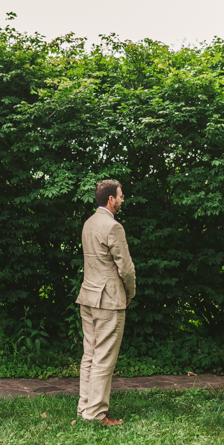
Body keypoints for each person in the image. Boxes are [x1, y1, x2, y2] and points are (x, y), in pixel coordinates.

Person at [75, 180, 136, 426]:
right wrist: (130, 292)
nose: (123, 200)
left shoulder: (89, 223)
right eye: (121, 196)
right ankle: (97, 413)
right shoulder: (113, 227)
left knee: (89, 354)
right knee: (104, 358)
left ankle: (84, 408)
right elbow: (126, 268)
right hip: (109, 300)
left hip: (87, 297)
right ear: (111, 199)